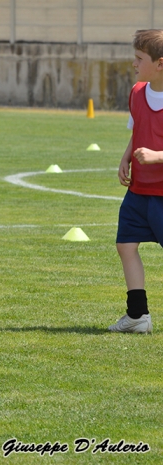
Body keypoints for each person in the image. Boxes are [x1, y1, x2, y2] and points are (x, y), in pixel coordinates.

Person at [111, 29, 163, 334]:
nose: (134, 63)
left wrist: (158, 157)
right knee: (125, 245)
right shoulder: (137, 92)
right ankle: (138, 316)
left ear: (160, 64)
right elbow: (138, 130)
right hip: (139, 190)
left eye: (139, 58)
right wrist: (125, 157)